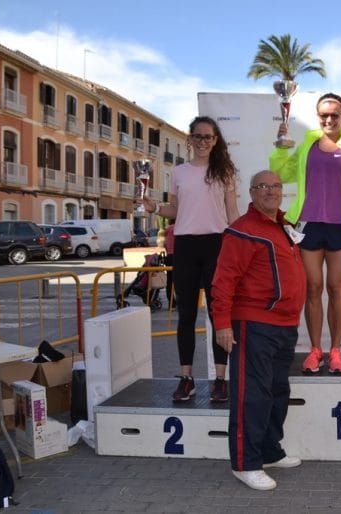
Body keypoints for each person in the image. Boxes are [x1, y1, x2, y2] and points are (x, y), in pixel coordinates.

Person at [212, 170, 307, 491]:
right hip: (253, 324)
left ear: (282, 192)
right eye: (263, 186)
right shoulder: (243, 230)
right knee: (251, 395)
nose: (270, 191)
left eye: (276, 186)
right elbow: (223, 280)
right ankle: (245, 463)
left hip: (284, 325)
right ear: (251, 193)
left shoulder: (283, 226)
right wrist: (222, 324)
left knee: (277, 392)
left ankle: (269, 450)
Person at [269, 92, 341, 374]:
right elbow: (279, 173)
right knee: (312, 289)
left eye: (334, 114)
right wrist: (280, 147)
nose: (329, 119)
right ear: (318, 116)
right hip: (309, 227)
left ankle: (335, 351)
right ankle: (315, 351)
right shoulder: (307, 147)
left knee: (336, 289)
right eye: (324, 115)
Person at [141, 116, 240, 403]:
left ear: (215, 140)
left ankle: (221, 379)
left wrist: (241, 244)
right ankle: (187, 378)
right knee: (185, 316)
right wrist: (154, 207)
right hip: (184, 246)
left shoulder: (225, 172)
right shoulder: (179, 172)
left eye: (208, 137)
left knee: (218, 315)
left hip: (217, 245)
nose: (203, 142)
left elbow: (232, 212)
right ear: (191, 139)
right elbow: (174, 209)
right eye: (198, 137)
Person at [164, 219, 176, 309]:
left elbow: (165, 245)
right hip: (177, 257)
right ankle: (181, 302)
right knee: (180, 281)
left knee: (169, 281)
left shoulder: (167, 230)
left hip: (168, 257)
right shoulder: (178, 228)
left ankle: (171, 304)